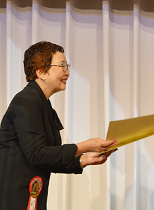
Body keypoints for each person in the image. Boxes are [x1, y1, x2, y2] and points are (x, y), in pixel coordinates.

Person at [0, 41, 118, 210]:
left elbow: (48, 157)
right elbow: (37, 154)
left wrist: (84, 159)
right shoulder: (26, 102)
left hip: (32, 198)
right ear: (41, 71)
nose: (67, 73)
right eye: (62, 66)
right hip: (14, 199)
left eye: (67, 66)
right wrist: (83, 146)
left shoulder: (42, 104)